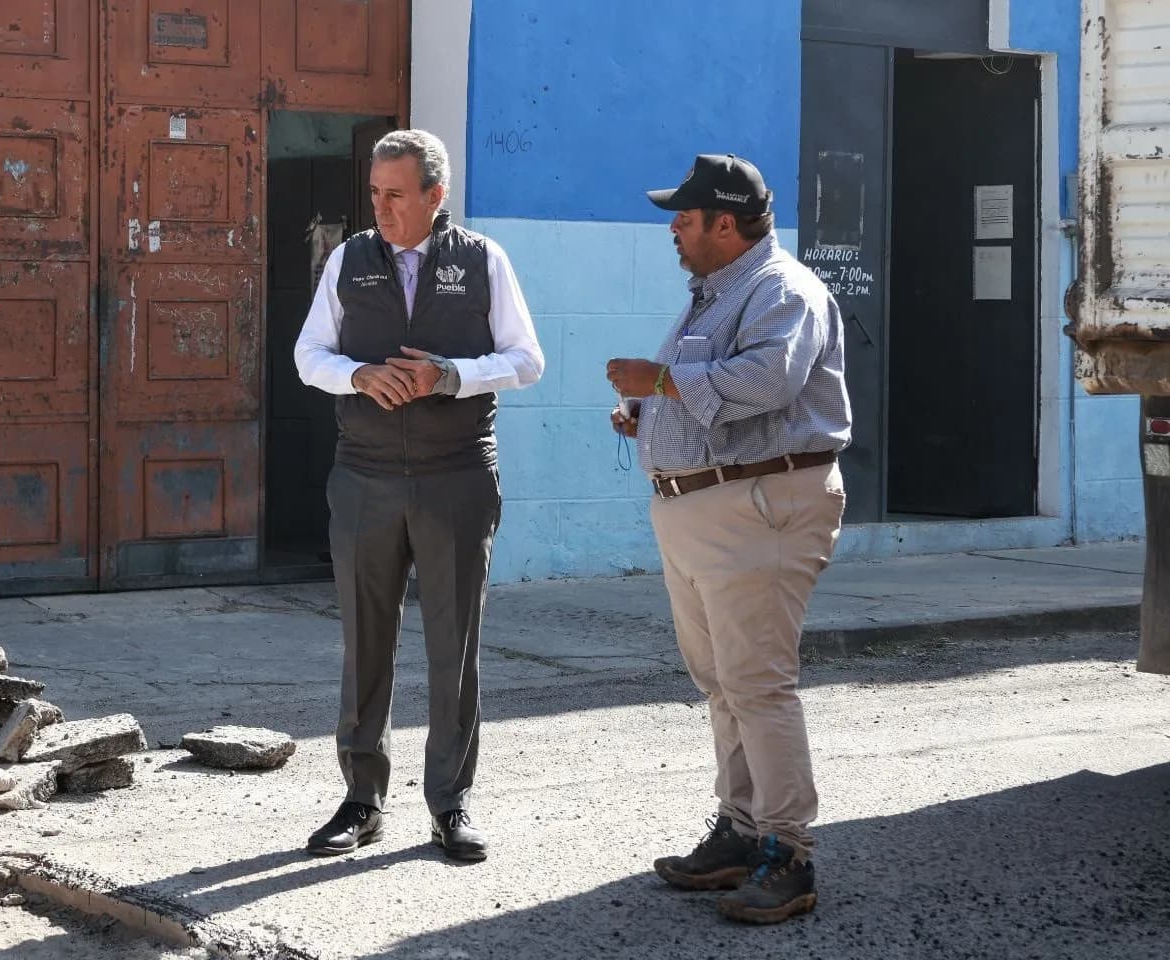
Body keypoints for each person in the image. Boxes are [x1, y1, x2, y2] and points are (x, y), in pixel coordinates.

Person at [606, 154, 851, 923]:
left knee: (759, 685)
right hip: (705, 507)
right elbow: (711, 390)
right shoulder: (717, 295)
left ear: (726, 221)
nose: (674, 228)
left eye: (685, 216)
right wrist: (649, 416)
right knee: (722, 683)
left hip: (762, 506)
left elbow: (768, 383)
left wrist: (661, 384)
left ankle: (789, 853)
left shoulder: (783, 289)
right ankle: (742, 831)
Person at [294, 129, 544, 862]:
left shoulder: (483, 260)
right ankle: (360, 800)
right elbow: (311, 355)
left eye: (396, 194)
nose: (382, 208)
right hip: (365, 476)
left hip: (457, 475)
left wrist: (452, 374)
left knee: (452, 646)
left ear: (436, 196)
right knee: (364, 643)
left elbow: (527, 360)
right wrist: (358, 376)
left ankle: (450, 804)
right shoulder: (350, 259)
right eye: (374, 194)